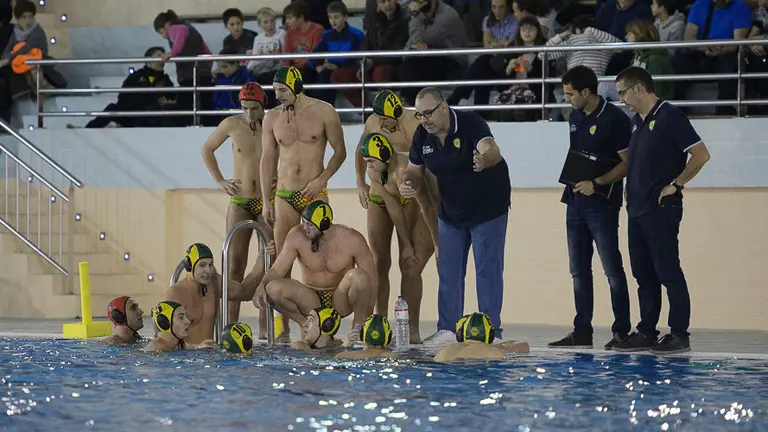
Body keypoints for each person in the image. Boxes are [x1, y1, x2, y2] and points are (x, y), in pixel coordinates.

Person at [399, 87, 511, 348]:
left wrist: (483, 160)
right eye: (419, 115)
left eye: (428, 113)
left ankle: (491, 330)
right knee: (449, 271)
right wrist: (408, 183)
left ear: (444, 106)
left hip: (488, 208)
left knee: (487, 270)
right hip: (451, 210)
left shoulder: (471, 123)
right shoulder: (421, 136)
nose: (424, 119)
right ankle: (448, 329)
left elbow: (493, 151)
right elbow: (414, 170)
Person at [612, 66, 711, 354]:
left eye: (623, 93)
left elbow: (701, 154)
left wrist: (677, 184)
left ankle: (679, 333)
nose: (621, 99)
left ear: (639, 88)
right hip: (637, 209)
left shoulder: (670, 116)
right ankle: (647, 331)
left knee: (668, 271)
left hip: (661, 207)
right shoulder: (636, 122)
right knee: (643, 273)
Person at [547, 66, 633, 351]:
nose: (566, 98)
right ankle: (581, 330)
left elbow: (627, 162)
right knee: (578, 271)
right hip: (575, 203)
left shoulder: (615, 119)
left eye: (571, 93)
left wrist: (597, 183)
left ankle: (622, 331)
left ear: (586, 92)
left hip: (602, 204)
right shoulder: (575, 116)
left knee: (612, 269)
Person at [260, 66, 347, 342]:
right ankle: (283, 329)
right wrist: (266, 200)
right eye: (275, 91)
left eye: (282, 90)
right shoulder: (271, 118)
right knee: (280, 263)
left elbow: (340, 152)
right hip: (285, 195)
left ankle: (324, 322)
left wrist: (322, 179)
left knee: (322, 259)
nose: (278, 96)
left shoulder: (324, 111)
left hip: (314, 194)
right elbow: (267, 160)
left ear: (296, 86)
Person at [202, 82, 276, 337]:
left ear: (263, 105)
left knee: (268, 263)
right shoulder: (231, 124)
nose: (249, 114)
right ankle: (229, 326)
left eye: (254, 109)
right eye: (245, 108)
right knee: (234, 266)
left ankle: (266, 328)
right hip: (241, 201)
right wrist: (220, 180)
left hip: (268, 201)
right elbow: (207, 148)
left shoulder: (273, 123)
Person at [254, 201, 377, 347]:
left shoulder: (352, 240)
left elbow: (372, 281)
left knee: (359, 276)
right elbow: (278, 269)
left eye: (310, 225)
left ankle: (357, 327)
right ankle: (306, 324)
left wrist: (368, 319)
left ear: (324, 224)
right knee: (272, 288)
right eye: (304, 223)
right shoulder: (297, 236)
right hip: (310, 300)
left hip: (340, 299)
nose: (304, 228)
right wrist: (261, 285)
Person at [359, 132, 438, 344]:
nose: (369, 166)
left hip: (429, 208)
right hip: (405, 205)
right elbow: (394, 207)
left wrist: (438, 244)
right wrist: (406, 244)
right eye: (367, 162)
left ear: (384, 155)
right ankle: (382, 323)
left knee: (411, 267)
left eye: (371, 161)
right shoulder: (375, 172)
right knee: (390, 260)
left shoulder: (405, 171)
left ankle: (412, 330)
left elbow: (428, 207)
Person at [164, 243, 261, 345]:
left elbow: (244, 292)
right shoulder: (175, 293)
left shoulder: (214, 283)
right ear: (189, 266)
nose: (208, 270)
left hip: (209, 354)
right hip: (184, 356)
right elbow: (166, 339)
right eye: (202, 265)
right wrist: (196, 347)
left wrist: (263, 257)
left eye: (210, 265)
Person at [434, 313, 530, 363]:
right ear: (491, 335)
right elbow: (524, 345)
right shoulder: (496, 353)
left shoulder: (444, 352)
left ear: (460, 335)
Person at [143, 301, 213, 352]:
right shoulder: (155, 349)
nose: (188, 321)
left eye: (186, 316)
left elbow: (186, 346)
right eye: (181, 318)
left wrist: (200, 346)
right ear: (164, 323)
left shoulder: (176, 344)